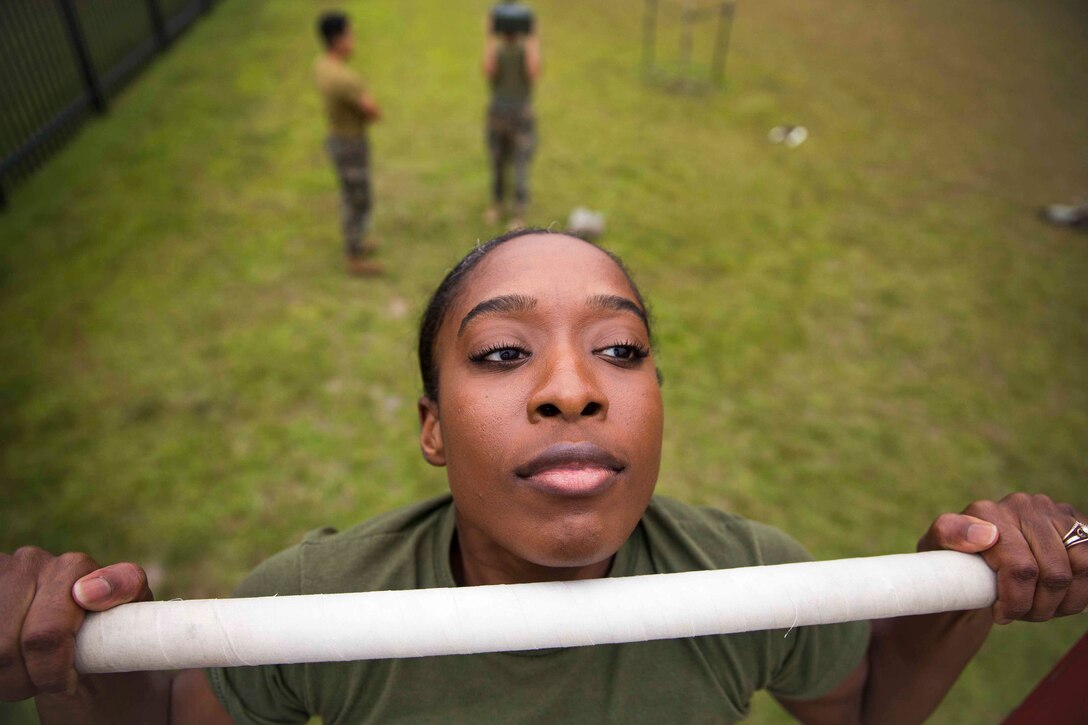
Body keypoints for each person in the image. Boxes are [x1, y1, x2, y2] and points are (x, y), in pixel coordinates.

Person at [2, 230, 1085, 723]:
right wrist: (84, 653)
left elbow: (868, 709)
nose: (572, 388)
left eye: (618, 349)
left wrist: (962, 581)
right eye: (503, 352)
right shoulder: (311, 604)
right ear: (432, 426)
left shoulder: (757, 579)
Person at [314, 12, 383, 277]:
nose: (353, 40)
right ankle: (354, 256)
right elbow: (372, 110)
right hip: (351, 143)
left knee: (349, 193)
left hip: (336, 139)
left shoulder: (321, 65)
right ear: (337, 39)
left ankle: (356, 242)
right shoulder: (345, 78)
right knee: (358, 198)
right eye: (349, 34)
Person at [482, 3, 541, 230]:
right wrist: (489, 38)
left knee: (520, 165)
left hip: (520, 115)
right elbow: (488, 70)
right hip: (498, 113)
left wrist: (533, 38)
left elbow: (533, 72)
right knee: (497, 162)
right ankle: (497, 204)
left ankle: (519, 212)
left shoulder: (526, 50)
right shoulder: (496, 50)